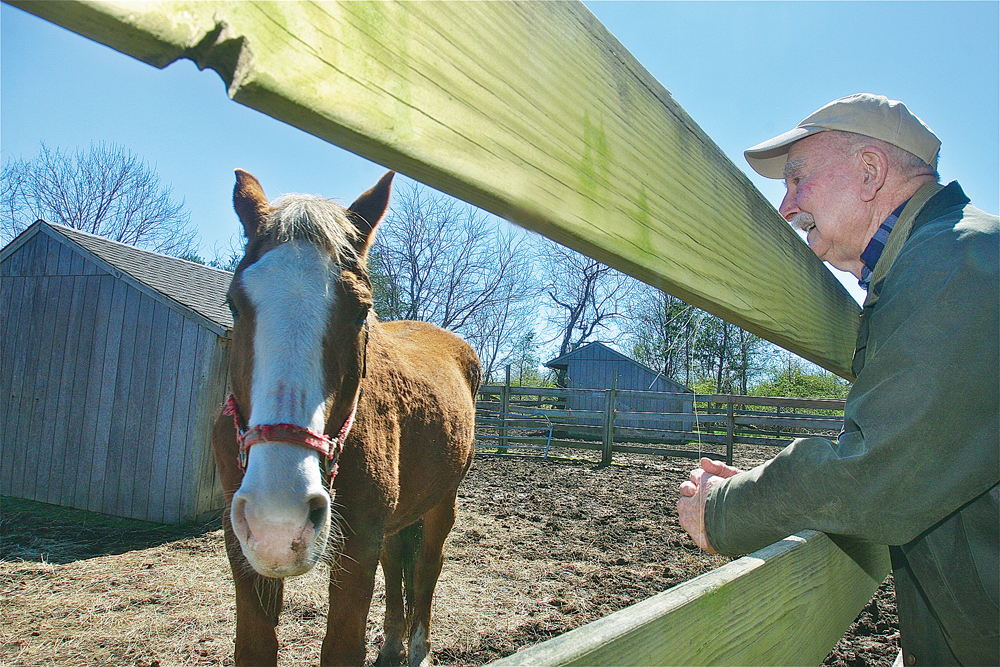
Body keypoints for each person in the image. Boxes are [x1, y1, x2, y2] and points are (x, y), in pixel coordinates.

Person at [677, 93, 998, 666]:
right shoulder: (937, 260)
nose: (786, 206)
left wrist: (727, 508)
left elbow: (878, 473)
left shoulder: (955, 264)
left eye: (798, 179)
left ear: (871, 172)